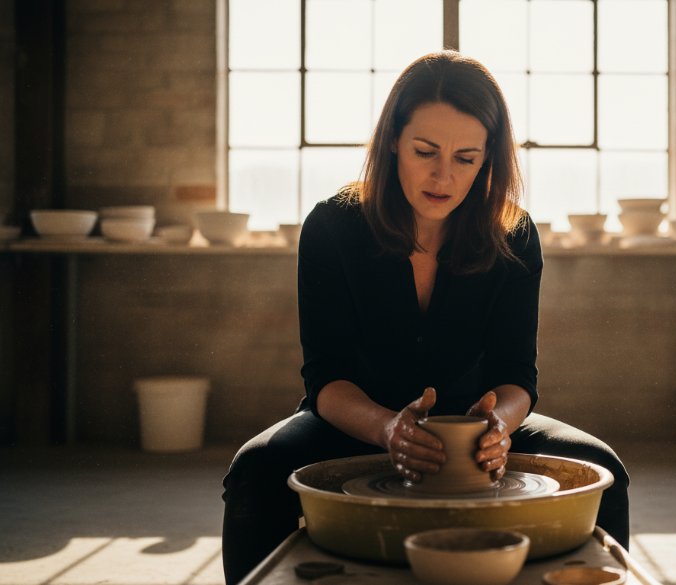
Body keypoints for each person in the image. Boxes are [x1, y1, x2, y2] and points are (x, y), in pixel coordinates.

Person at [220, 50, 629, 584]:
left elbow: (517, 375)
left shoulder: (514, 234)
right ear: (393, 140)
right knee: (255, 469)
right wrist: (389, 428)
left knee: (606, 472)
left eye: (466, 157)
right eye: (425, 151)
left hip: (474, 430)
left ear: (489, 159)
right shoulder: (333, 227)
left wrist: (498, 426)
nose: (443, 175)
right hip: (357, 423)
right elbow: (326, 377)